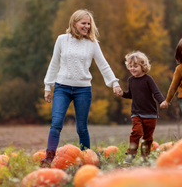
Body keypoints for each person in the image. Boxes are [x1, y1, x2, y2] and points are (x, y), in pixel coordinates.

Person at [40, 9, 123, 167]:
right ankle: (49, 158)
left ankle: (87, 160)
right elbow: (54, 63)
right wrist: (47, 86)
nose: (86, 26)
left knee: (82, 128)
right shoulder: (62, 40)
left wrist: (115, 83)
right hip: (62, 88)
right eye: (83, 23)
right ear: (74, 23)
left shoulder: (92, 44)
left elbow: (103, 65)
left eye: (88, 24)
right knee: (56, 123)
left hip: (83, 90)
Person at [119, 51, 165, 164]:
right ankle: (131, 154)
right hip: (137, 113)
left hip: (150, 113)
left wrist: (162, 101)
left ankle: (145, 158)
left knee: (148, 138)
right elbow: (131, 94)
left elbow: (156, 92)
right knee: (136, 132)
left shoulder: (148, 79)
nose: (132, 68)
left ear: (143, 66)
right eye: (130, 66)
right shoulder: (130, 80)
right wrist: (122, 94)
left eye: (135, 66)